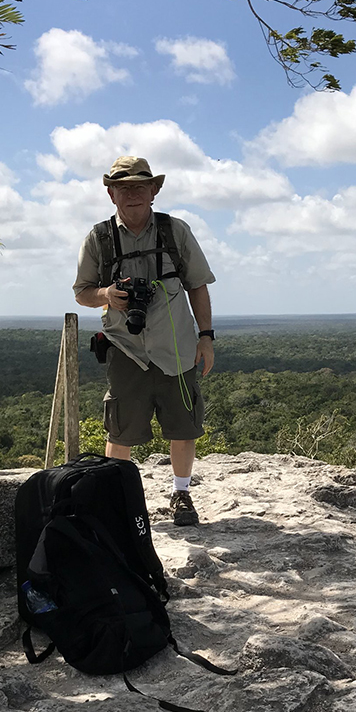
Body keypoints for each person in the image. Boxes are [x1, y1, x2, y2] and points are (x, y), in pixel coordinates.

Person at [74, 156, 216, 526]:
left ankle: (181, 493)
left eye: (140, 186)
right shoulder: (99, 238)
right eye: (124, 187)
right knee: (120, 429)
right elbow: (82, 293)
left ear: (154, 191)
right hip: (126, 349)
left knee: (184, 426)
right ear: (111, 194)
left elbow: (197, 286)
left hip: (177, 347)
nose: (133, 194)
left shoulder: (175, 232)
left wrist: (206, 339)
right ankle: (114, 499)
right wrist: (108, 294)